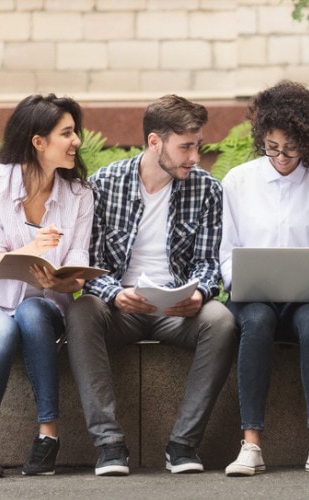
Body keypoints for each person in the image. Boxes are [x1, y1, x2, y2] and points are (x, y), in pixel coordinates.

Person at [65, 94, 237, 476]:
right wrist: (115, 294)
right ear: (155, 142)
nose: (195, 157)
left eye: (198, 146)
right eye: (186, 147)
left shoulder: (207, 189)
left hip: (177, 311)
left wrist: (199, 294)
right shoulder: (105, 184)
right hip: (119, 310)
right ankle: (109, 445)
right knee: (81, 311)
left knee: (221, 320)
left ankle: (183, 444)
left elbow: (209, 262)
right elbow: (90, 261)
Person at [0, 94, 94, 478]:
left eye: (75, 132)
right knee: (3, 330)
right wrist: (34, 249)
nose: (76, 140)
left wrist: (70, 277)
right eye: (67, 133)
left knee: (30, 313)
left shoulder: (79, 194)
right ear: (38, 142)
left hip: (44, 303)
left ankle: (48, 437)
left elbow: (77, 262)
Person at [219, 80, 309, 476]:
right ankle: (251, 443)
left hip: (307, 295)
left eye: (291, 148)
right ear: (261, 140)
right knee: (256, 322)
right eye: (273, 147)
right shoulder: (239, 181)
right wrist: (236, 280)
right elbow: (225, 249)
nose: (282, 156)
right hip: (252, 295)